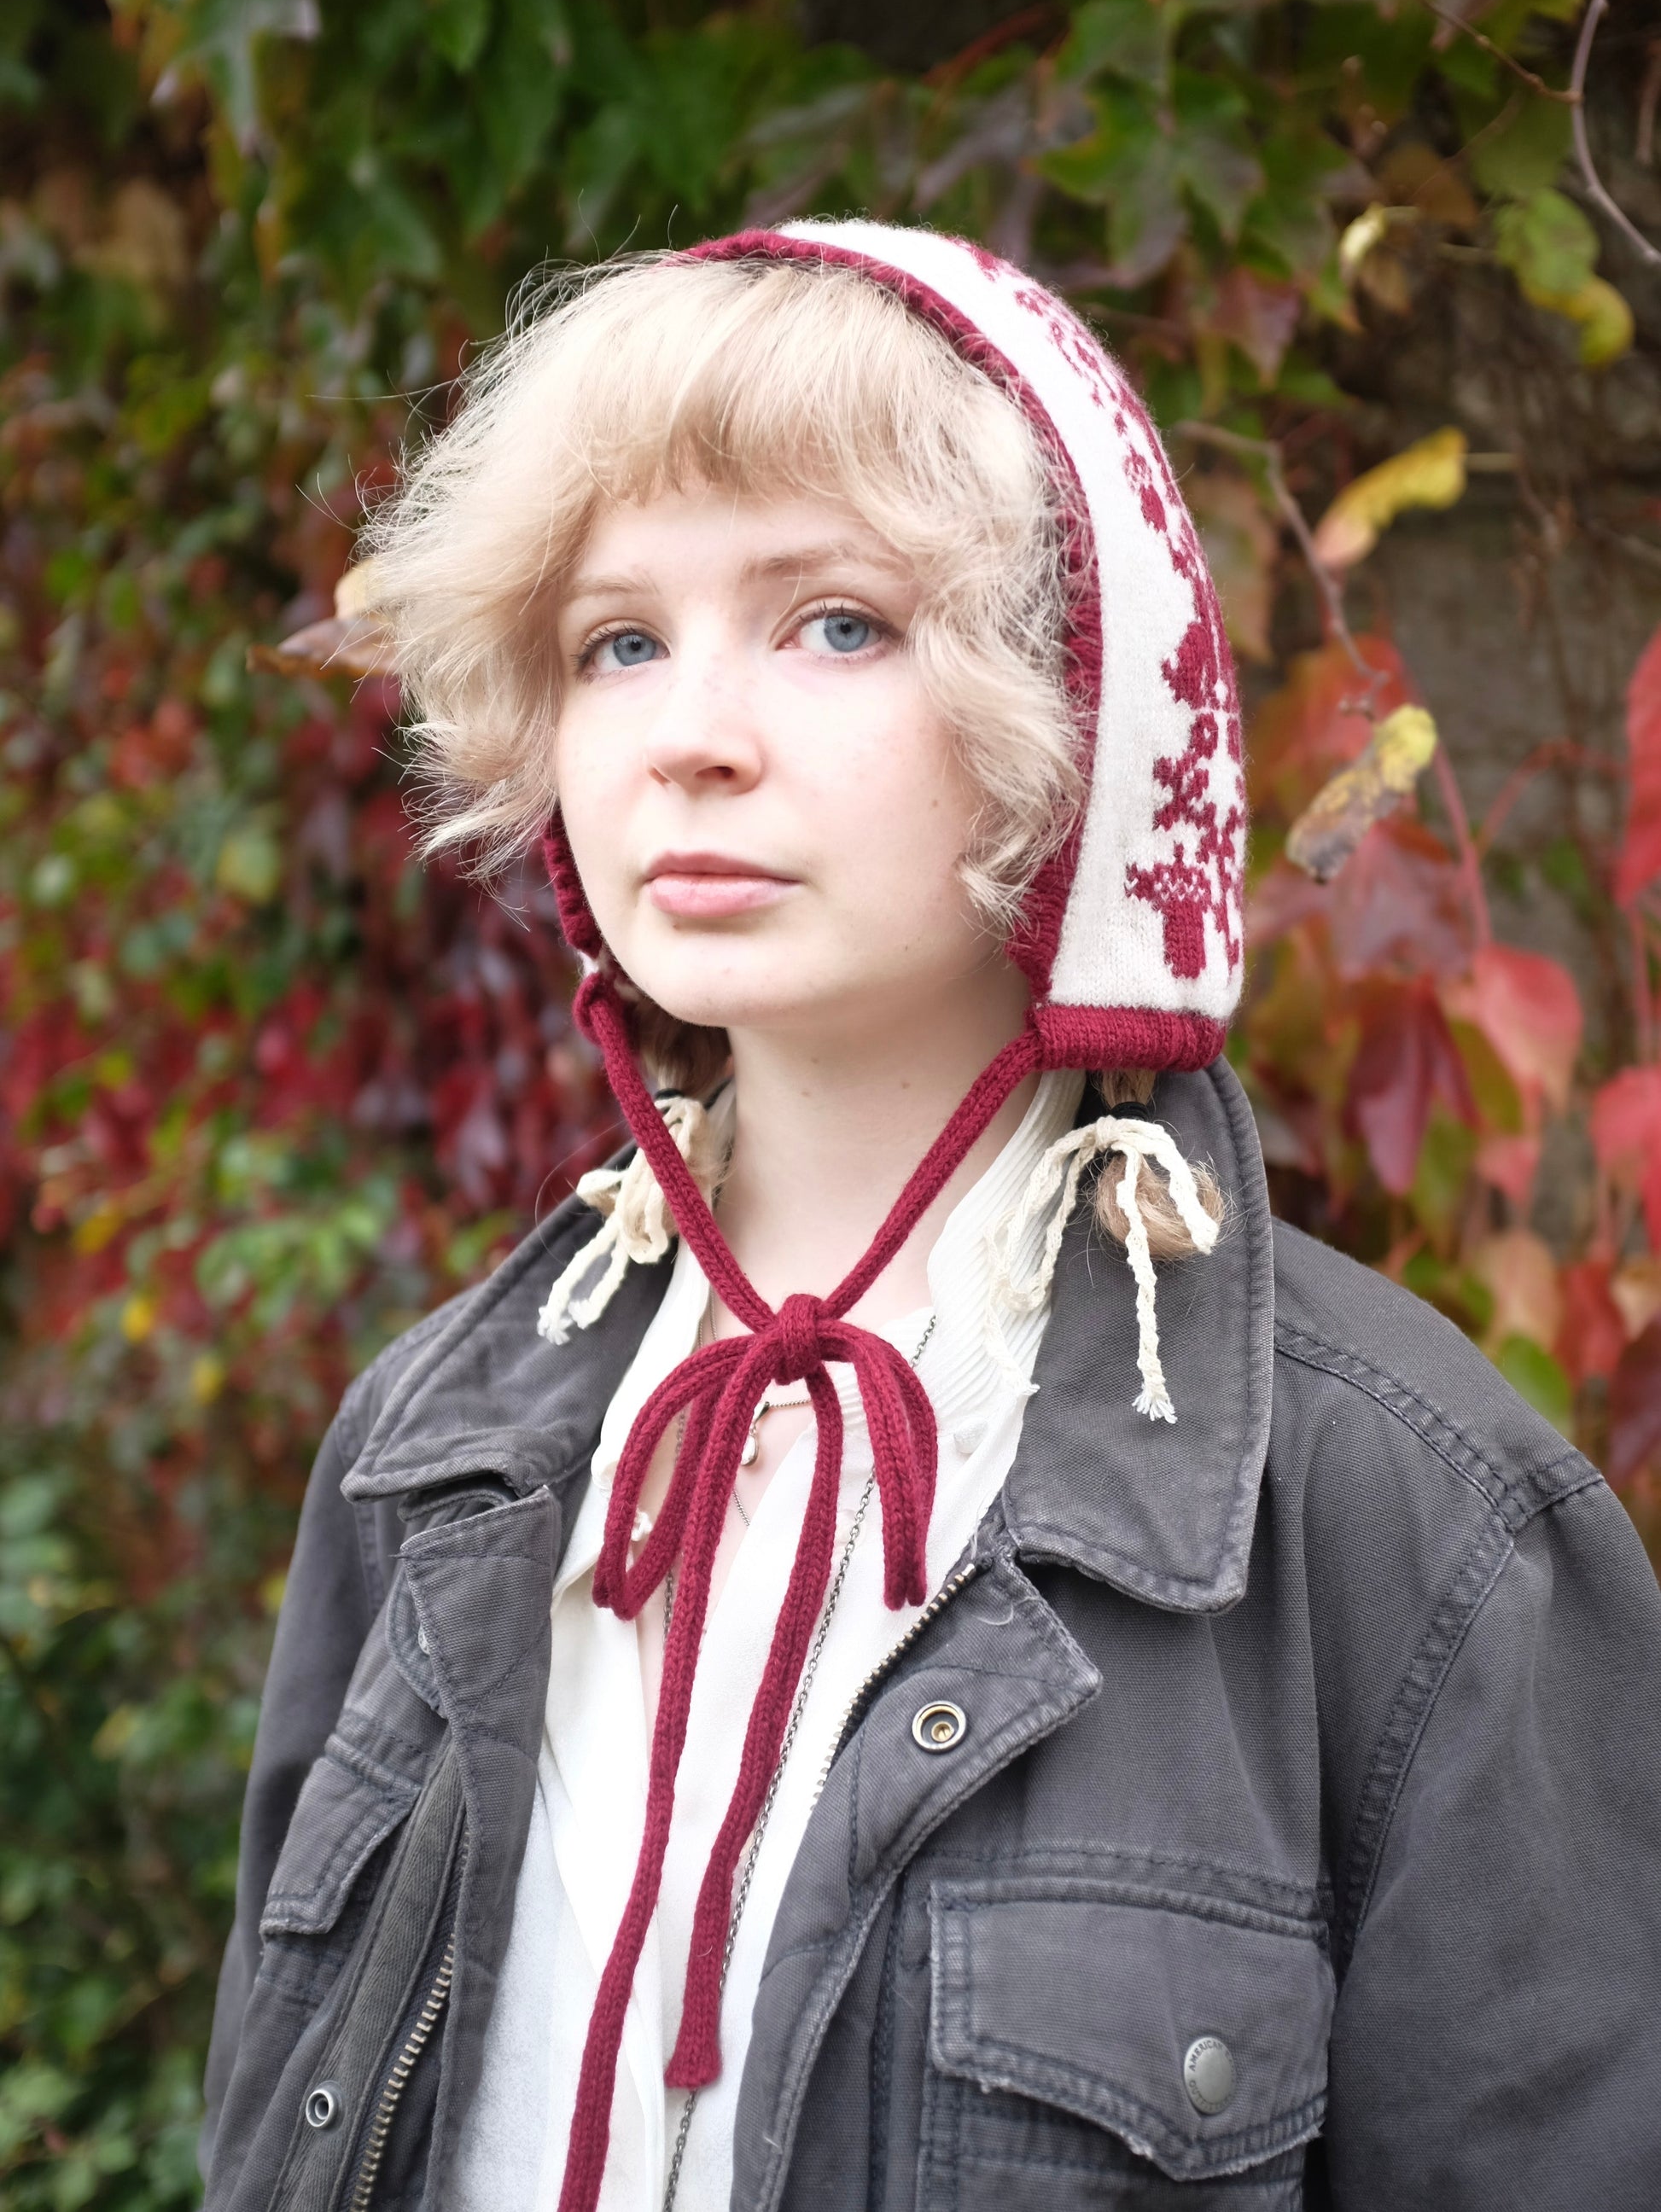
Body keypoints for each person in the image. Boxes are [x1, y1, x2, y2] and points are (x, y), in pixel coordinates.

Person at [198, 224, 1661, 2212]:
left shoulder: (1404, 1512)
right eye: (617, 641)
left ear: (1070, 705)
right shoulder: (427, 1453)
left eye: (834, 624)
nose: (690, 732)